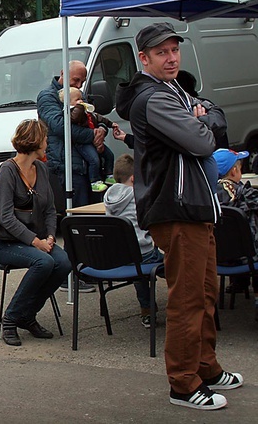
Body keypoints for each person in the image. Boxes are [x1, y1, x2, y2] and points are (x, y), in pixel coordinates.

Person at [116, 21, 240, 410]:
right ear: (144, 58)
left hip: (195, 205)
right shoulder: (153, 98)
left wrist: (203, 116)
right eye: (161, 52)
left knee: (206, 292)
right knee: (187, 299)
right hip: (175, 206)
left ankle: (206, 367)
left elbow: (213, 113)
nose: (171, 58)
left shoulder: (174, 89)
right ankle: (183, 385)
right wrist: (202, 120)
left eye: (174, 50)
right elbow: (205, 139)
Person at [0, 119, 72, 347]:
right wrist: (35, 242)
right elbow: (5, 216)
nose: (47, 143)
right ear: (35, 141)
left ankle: (27, 315)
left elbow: (50, 209)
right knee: (44, 263)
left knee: (64, 262)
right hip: (9, 243)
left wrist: (49, 236)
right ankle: (10, 319)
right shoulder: (8, 170)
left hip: (38, 241)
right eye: (45, 139)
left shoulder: (41, 169)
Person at [103, 154, 164, 329]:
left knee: (138, 268)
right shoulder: (140, 197)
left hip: (119, 256)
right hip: (143, 254)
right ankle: (184, 301)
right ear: (134, 178)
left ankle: (147, 310)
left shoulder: (108, 198)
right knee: (172, 263)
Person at [37, 60, 108, 208]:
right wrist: (93, 134)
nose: (78, 85)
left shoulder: (78, 95)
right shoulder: (48, 97)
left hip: (88, 164)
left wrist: (102, 128)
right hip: (69, 166)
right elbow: (60, 127)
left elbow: (92, 117)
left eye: (82, 82)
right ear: (63, 73)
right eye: (76, 80)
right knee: (80, 214)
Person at [213, 148, 258, 300]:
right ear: (234, 171)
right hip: (249, 257)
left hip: (217, 258)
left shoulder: (207, 197)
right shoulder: (245, 195)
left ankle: (239, 283)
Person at [59, 87, 115, 192]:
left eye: (81, 98)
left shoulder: (85, 110)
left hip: (93, 138)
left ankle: (109, 175)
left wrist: (110, 124)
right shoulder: (70, 112)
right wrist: (80, 107)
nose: (81, 101)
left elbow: (98, 117)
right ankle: (94, 181)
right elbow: (74, 119)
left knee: (109, 155)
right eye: (77, 99)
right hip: (83, 143)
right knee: (94, 159)